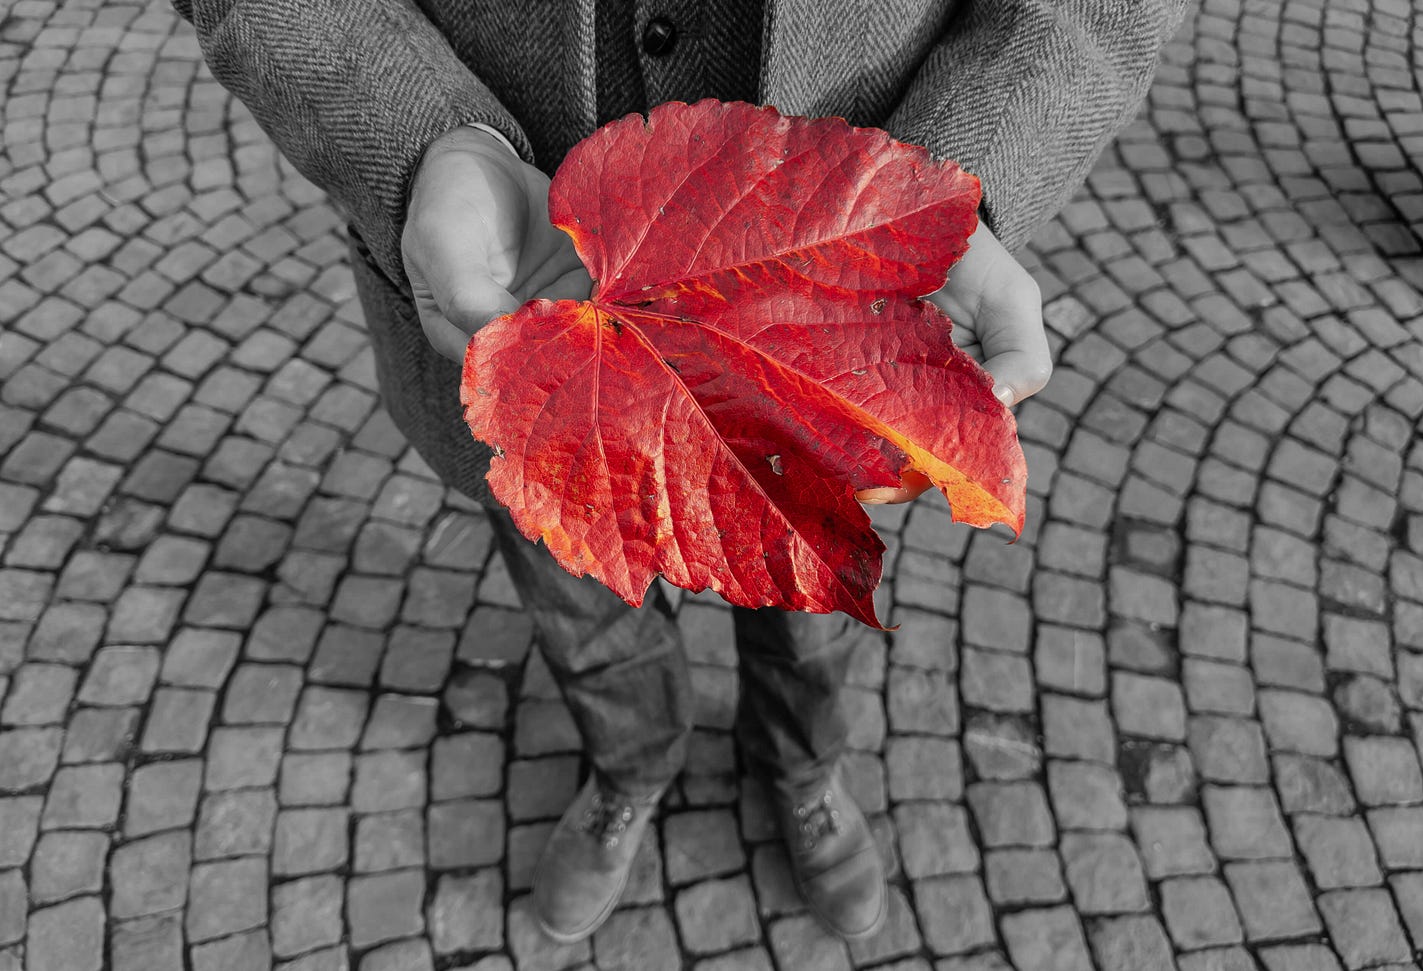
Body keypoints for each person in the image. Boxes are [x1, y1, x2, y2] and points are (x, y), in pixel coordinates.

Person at [172, 0, 1187, 943]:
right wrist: (418, 135)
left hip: (826, 269)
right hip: (518, 286)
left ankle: (800, 766)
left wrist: (933, 189)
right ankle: (630, 765)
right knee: (577, 595)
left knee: (811, 596)